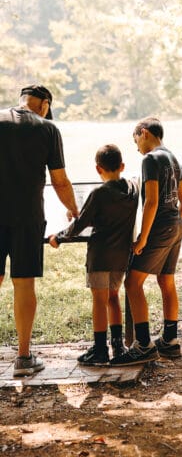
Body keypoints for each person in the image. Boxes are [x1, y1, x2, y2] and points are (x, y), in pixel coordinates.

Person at [0, 84, 79, 377]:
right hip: (27, 217)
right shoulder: (47, 128)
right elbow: (59, 180)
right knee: (23, 283)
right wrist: (74, 209)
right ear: (44, 104)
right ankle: (23, 357)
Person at [48, 144, 138, 366]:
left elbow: (80, 224)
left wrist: (58, 237)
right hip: (121, 255)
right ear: (122, 166)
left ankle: (99, 349)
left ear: (98, 169)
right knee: (113, 297)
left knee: (99, 300)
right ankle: (117, 345)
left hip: (100, 255)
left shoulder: (98, 193)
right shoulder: (132, 189)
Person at [112, 117, 182, 365]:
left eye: (136, 140)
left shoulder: (150, 159)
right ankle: (169, 341)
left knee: (132, 283)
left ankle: (144, 344)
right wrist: (173, 224)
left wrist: (143, 237)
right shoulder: (173, 158)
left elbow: (152, 201)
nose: (136, 147)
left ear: (144, 133)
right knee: (166, 280)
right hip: (177, 224)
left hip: (159, 228)